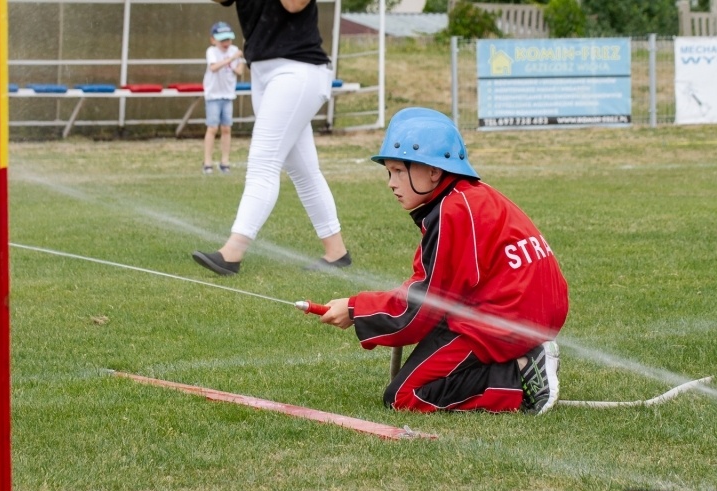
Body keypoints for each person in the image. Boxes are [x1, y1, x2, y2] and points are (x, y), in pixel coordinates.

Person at [320, 108, 569, 415]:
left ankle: (519, 374)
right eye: (389, 172)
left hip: (508, 317)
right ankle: (524, 356)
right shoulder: (468, 197)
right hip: (527, 309)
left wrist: (356, 309)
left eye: (399, 171)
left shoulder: (452, 212)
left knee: (406, 396)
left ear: (434, 172)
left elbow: (423, 305)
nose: (391, 183)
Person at [192, 0, 350, 275]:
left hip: (297, 69)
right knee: (304, 171)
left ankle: (232, 252)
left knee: (263, 163)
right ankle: (336, 252)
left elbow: (293, 5)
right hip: (263, 72)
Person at [202, 21, 244, 175]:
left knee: (226, 129)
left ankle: (224, 161)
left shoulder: (234, 51)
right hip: (213, 95)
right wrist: (232, 58)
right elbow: (213, 67)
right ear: (213, 40)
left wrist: (237, 61)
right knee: (212, 128)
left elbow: (239, 70)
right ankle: (207, 162)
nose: (226, 43)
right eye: (222, 40)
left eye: (228, 39)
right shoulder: (212, 51)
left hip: (228, 95)